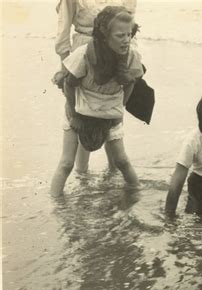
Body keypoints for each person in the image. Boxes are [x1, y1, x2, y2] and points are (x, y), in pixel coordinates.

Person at [50, 6, 142, 197]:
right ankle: (55, 202)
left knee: (122, 161)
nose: (126, 40)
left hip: (109, 110)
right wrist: (74, 115)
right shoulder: (85, 53)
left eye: (129, 35)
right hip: (78, 108)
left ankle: (136, 193)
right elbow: (69, 85)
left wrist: (120, 107)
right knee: (67, 163)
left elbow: (131, 84)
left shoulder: (131, 56)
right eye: (120, 36)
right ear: (104, 36)